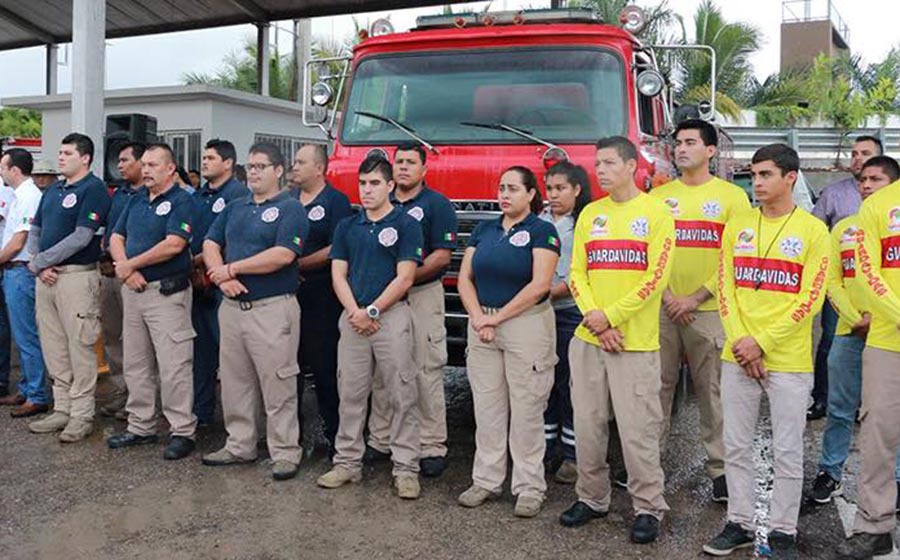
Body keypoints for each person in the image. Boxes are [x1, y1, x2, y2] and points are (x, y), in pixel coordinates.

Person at [703, 144, 829, 558]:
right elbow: (726, 288)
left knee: (789, 449)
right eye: (753, 175)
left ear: (790, 177)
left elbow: (809, 299)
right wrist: (743, 341)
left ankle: (781, 531)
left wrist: (762, 342)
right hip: (738, 355)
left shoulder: (812, 231)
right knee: (735, 444)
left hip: (787, 359)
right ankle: (739, 522)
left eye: (766, 175)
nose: (756, 183)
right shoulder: (739, 225)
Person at [560, 137, 673, 544]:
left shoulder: (656, 212)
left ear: (630, 166)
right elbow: (577, 273)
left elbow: (656, 278)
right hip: (590, 338)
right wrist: (597, 321)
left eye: (608, 162)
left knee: (638, 430)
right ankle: (592, 498)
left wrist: (611, 316)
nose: (600, 170)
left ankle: (648, 507)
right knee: (588, 426)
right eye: (597, 163)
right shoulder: (591, 214)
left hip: (635, 343)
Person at [650, 119, 751, 502]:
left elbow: (735, 257)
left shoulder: (731, 198)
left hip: (708, 310)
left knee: (713, 393)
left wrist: (695, 298)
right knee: (656, 389)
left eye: (690, 142)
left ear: (710, 151)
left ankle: (721, 471)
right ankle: (649, 462)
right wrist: (668, 297)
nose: (680, 148)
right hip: (663, 307)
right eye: (677, 143)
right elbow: (650, 254)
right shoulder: (659, 198)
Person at [316, 156, 424, 499]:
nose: (367, 190)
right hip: (353, 318)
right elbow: (338, 273)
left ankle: (406, 468)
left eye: (375, 183)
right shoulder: (348, 226)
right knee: (350, 392)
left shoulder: (406, 224)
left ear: (391, 185)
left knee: (401, 393)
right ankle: (347, 463)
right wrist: (355, 311)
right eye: (363, 183)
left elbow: (405, 276)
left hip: (390, 317)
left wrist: (374, 309)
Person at [455, 165, 559, 518]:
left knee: (527, 409)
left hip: (523, 325)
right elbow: (465, 278)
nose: (504, 194)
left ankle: (529, 487)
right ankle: (486, 479)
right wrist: (478, 317)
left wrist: (497, 318)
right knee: (487, 408)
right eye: (501, 188)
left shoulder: (542, 232)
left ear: (531, 194)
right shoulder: (484, 230)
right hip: (482, 323)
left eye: (513, 188)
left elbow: (540, 285)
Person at [201, 142, 308, 481]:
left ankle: (285, 451)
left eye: (262, 166)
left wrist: (232, 269)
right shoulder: (235, 206)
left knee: (278, 384)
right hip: (232, 308)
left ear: (279, 171)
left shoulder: (291, 209)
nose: (255, 172)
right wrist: (220, 277)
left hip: (272, 309)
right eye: (251, 166)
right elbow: (209, 243)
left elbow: (283, 255)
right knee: (234, 382)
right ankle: (240, 445)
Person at [812, 156, 900, 507]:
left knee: (889, 413)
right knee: (840, 407)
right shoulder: (843, 229)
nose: (865, 185)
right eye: (863, 179)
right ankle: (830, 472)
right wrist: (854, 318)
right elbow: (832, 281)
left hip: (890, 330)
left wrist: (885, 315)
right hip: (852, 332)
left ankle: (895, 479)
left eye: (875, 180)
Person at [367, 142, 458, 477]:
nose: (403, 167)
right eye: (398, 162)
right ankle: (381, 439)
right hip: (384, 301)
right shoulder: (380, 203)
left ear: (424, 169)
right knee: (383, 371)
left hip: (421, 295)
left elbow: (442, 256)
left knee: (424, 370)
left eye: (410, 162)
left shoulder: (437, 205)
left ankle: (431, 445)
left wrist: (403, 279)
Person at [105, 143, 197, 461]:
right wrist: (126, 270)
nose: (145, 170)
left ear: (171, 169)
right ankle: (141, 425)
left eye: (153, 165)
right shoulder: (136, 200)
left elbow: (174, 244)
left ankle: (182, 430)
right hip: (134, 290)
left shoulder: (182, 201)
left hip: (166, 294)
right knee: (136, 363)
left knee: (174, 365)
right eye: (143, 164)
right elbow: (116, 238)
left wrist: (132, 265)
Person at [25, 132, 111, 442]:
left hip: (76, 277)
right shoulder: (53, 190)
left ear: (85, 157)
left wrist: (40, 262)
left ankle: (81, 414)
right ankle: (61, 407)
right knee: (54, 345)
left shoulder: (94, 189)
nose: (60, 158)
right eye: (60, 153)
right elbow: (35, 229)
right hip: (46, 277)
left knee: (81, 346)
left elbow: (82, 236)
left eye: (67, 153)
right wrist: (40, 263)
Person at [835, 161, 900, 559]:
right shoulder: (876, 209)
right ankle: (874, 526)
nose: (867, 185)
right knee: (877, 432)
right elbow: (869, 274)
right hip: (888, 339)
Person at [808, 136, 883, 420]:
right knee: (830, 342)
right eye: (853, 153)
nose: (857, 158)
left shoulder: (891, 199)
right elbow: (816, 231)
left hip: (882, 291)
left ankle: (866, 406)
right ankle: (822, 399)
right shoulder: (834, 194)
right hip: (840, 287)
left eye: (865, 153)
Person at [290, 143, 352, 454]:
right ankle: (291, 435)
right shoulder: (287, 200)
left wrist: (296, 264)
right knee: (290, 368)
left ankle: (332, 432)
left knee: (325, 367)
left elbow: (336, 247)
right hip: (288, 295)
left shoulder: (335, 202)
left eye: (301, 162)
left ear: (319, 168)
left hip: (322, 297)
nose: (294, 167)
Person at [539, 161, 592, 484]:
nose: (554, 195)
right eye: (549, 188)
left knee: (570, 386)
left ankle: (573, 456)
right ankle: (546, 448)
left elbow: (580, 275)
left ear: (577, 189)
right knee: (543, 384)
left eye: (561, 188)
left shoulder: (585, 224)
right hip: (540, 313)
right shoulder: (539, 222)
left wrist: (544, 293)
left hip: (570, 312)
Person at [190, 139, 247, 427]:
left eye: (211, 158)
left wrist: (202, 264)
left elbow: (228, 239)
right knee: (201, 357)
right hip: (197, 285)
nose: (205, 162)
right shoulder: (199, 195)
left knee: (232, 360)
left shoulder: (239, 195)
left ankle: (238, 424)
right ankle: (201, 414)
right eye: (204, 157)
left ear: (228, 163)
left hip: (223, 285)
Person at [0, 148, 50, 416]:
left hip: (21, 270)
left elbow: (19, 241)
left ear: (14, 170)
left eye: (3, 167)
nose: (1, 172)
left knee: (27, 335)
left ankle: (38, 394)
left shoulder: (29, 196)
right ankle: (27, 389)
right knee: (21, 335)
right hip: (12, 270)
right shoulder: (20, 195)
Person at [98, 141, 146, 419]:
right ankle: (121, 390)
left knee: (138, 341)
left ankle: (143, 399)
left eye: (126, 160)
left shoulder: (150, 195)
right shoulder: (119, 194)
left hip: (136, 275)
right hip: (111, 272)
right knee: (113, 335)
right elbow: (111, 230)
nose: (120, 165)